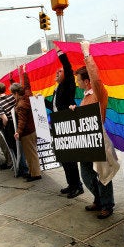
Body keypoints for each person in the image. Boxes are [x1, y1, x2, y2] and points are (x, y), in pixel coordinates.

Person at [70, 41, 120, 219]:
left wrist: (86, 53)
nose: (77, 84)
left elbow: (96, 78)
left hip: (98, 139)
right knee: (86, 173)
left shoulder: (99, 92)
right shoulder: (85, 97)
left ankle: (107, 204)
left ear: (86, 81)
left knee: (103, 174)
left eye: (78, 81)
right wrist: (76, 111)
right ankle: (98, 199)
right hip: (86, 140)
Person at [45, 46, 83, 198]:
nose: (57, 73)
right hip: (57, 126)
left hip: (66, 126)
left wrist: (59, 52)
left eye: (59, 71)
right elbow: (55, 107)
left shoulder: (68, 84)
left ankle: (77, 186)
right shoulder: (58, 87)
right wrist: (40, 101)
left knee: (70, 159)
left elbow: (67, 66)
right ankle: (71, 184)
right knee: (64, 158)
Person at [12, 65, 42, 182]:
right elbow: (27, 86)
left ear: (16, 93)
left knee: (31, 154)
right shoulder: (27, 96)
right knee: (31, 153)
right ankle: (32, 172)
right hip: (32, 129)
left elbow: (22, 120)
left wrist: (18, 132)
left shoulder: (21, 105)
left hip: (27, 132)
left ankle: (35, 174)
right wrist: (24, 74)